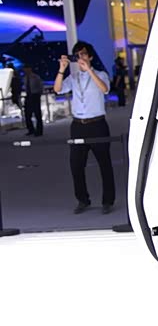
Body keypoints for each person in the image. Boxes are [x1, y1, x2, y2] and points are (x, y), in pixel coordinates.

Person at [54, 41, 115, 215]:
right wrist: (62, 69)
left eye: (84, 54)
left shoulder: (101, 74)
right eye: (77, 55)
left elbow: (104, 89)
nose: (81, 57)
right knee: (76, 165)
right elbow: (58, 89)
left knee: (104, 164)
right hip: (78, 125)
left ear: (90, 57)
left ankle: (107, 201)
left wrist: (89, 70)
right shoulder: (73, 78)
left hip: (97, 124)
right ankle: (82, 199)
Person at [22, 65, 44, 136]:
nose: (25, 71)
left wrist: (39, 94)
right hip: (28, 96)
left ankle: (39, 131)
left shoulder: (35, 77)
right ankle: (31, 129)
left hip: (35, 95)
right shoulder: (25, 78)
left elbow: (41, 86)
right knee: (27, 114)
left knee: (37, 114)